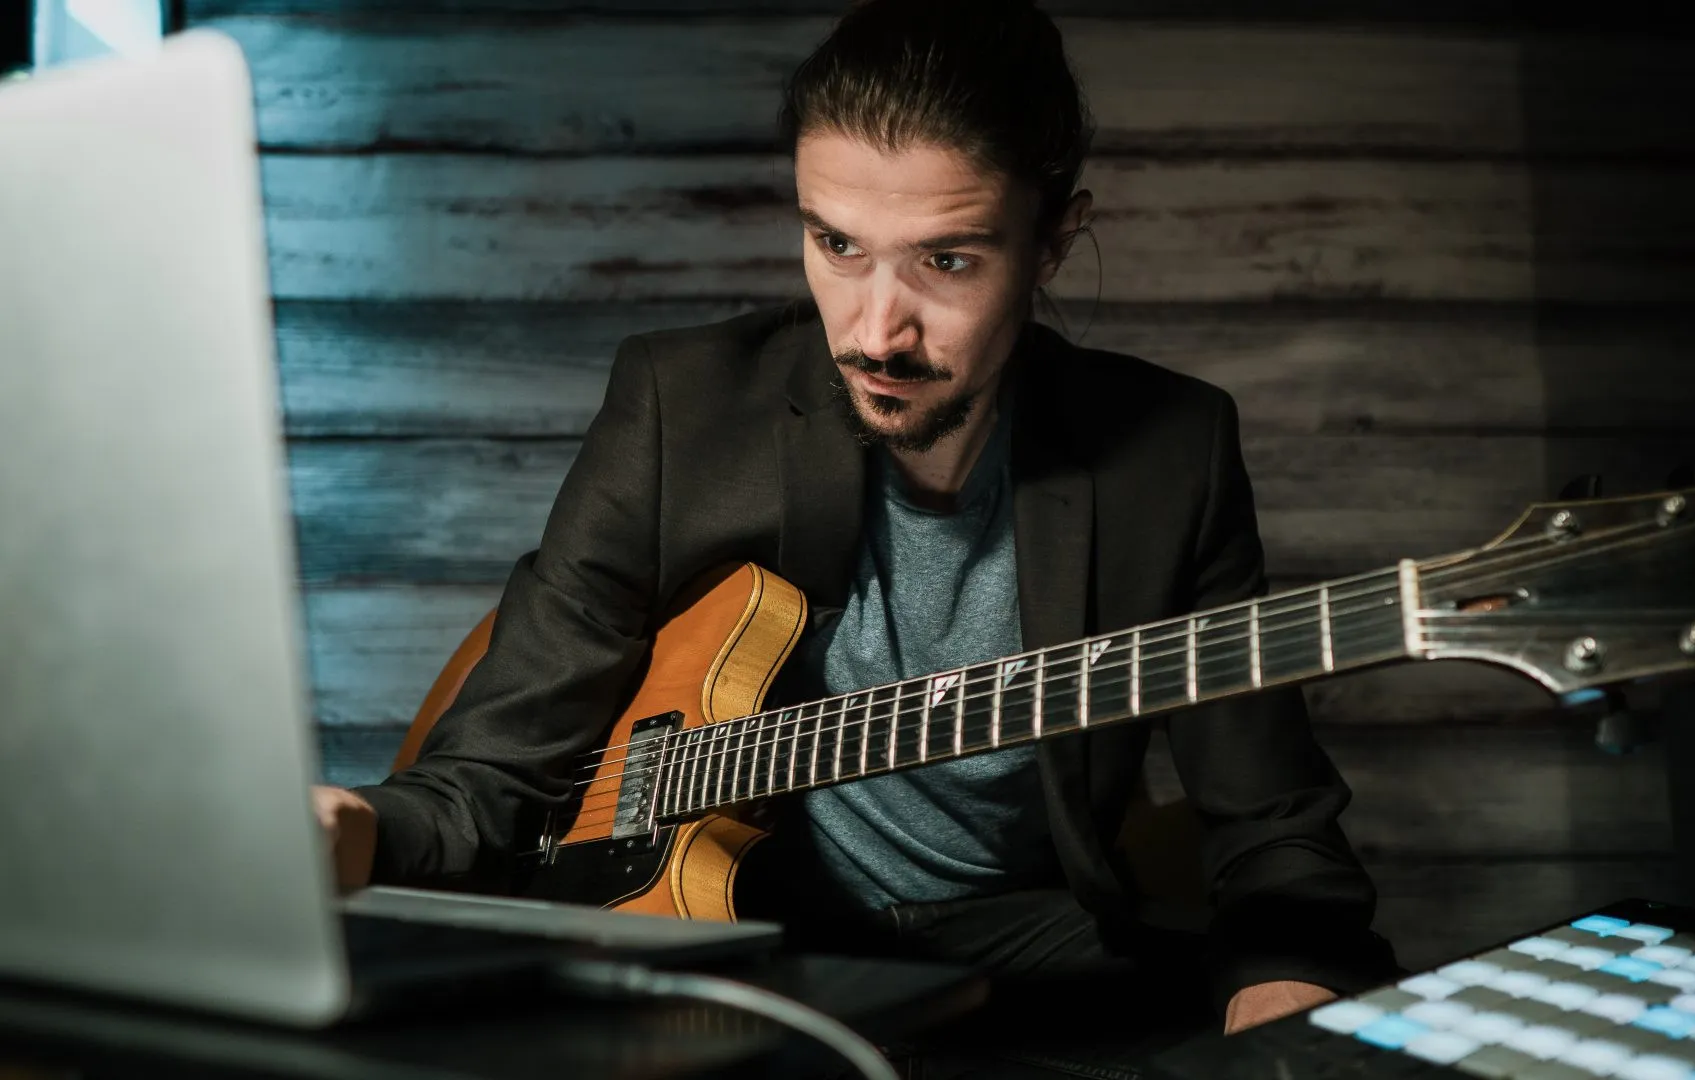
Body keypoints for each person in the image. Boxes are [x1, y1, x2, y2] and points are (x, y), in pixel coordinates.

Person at [313, 0, 1398, 1071]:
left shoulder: (1171, 453)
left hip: (1018, 949)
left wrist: (1282, 1004)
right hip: (742, 942)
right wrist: (351, 828)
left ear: (1052, 242)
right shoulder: (680, 406)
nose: (877, 332)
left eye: (947, 262)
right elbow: (491, 769)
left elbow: (1273, 822)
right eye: (836, 244)